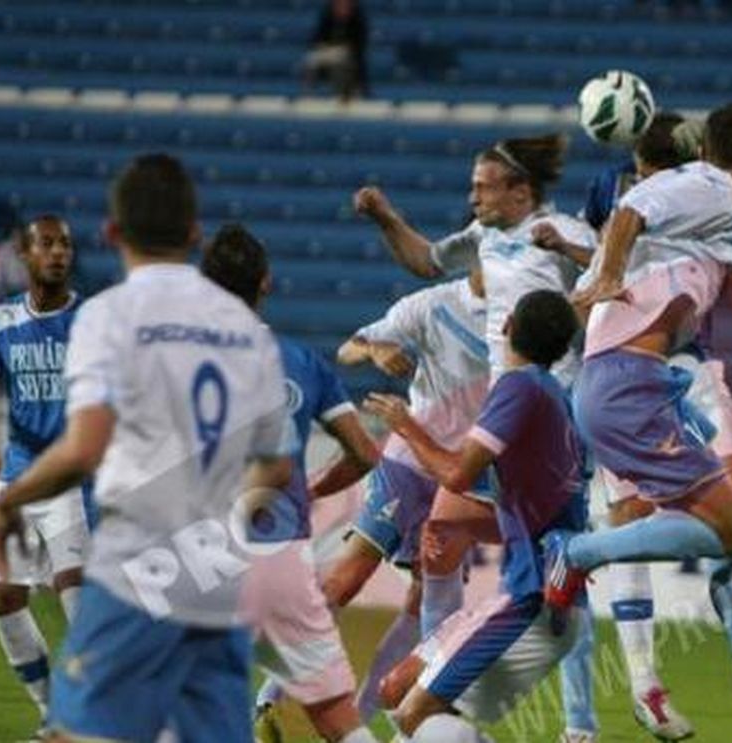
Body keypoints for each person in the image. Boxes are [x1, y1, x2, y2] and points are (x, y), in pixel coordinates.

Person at [546, 102, 732, 735]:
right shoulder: (706, 183)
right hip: (627, 388)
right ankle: (577, 553)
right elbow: (630, 213)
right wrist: (603, 276)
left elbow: (642, 222)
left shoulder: (709, 202)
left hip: (639, 384)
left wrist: (602, 266)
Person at [0, 153, 293, 743]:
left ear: (113, 232)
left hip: (140, 563)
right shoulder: (244, 329)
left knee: (73, 732)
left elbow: (84, 447)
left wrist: (11, 499)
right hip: (218, 574)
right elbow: (275, 467)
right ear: (194, 233)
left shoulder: (105, 316)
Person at [254, 268, 492, 737]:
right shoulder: (434, 304)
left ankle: (362, 721)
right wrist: (377, 349)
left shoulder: (522, 304)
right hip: (408, 461)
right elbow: (349, 348)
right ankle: (268, 698)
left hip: (461, 475)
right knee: (345, 581)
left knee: (425, 600)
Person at [369, 290, 588, 742]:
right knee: (406, 700)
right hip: (545, 600)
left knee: (413, 719)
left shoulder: (519, 386)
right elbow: (539, 516)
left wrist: (406, 425)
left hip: (529, 601)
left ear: (506, 324)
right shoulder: (557, 400)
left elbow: (455, 473)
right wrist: (462, 525)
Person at [200, 223, 380, 743]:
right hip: (284, 559)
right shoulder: (301, 362)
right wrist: (313, 487)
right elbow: (366, 453)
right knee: (333, 713)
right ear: (267, 284)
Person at [0, 215, 88, 739]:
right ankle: (54, 715)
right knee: (5, 598)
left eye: (65, 245)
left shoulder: (88, 319)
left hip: (73, 477)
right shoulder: (1, 321)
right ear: (24, 255)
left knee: (77, 602)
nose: (58, 253)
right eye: (46, 244)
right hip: (20, 476)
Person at [354, 132, 595, 384]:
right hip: (505, 381)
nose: (473, 198)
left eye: (484, 188)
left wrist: (566, 249)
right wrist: (385, 217)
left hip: (559, 380)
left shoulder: (567, 230)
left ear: (521, 193)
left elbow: (614, 275)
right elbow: (428, 262)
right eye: (473, 187)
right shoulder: (484, 233)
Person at [305, 0, 369, 100]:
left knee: (340, 60)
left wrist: (344, 48)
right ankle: (308, 94)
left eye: (344, 4)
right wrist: (323, 46)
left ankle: (341, 94)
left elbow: (359, 45)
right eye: (338, 4)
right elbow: (317, 38)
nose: (341, 7)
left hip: (348, 55)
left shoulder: (357, 21)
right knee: (312, 58)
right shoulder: (327, 18)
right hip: (328, 51)